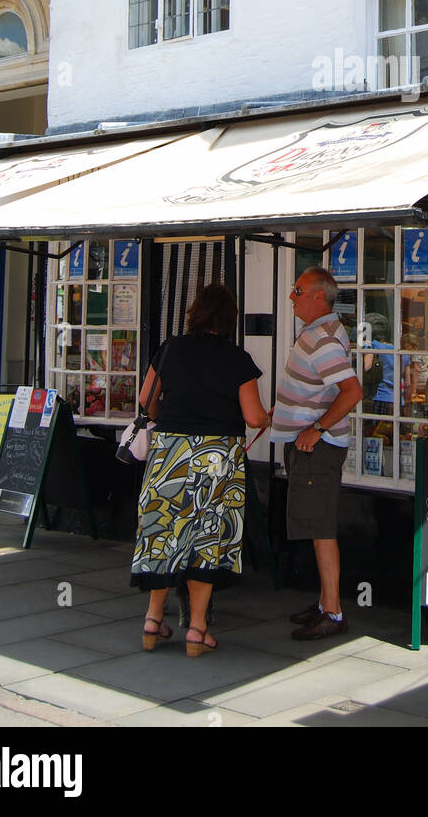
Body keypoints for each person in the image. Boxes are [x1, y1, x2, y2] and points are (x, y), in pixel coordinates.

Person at [130, 283, 271, 657]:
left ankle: (152, 621)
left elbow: (146, 401)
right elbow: (254, 416)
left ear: (195, 312)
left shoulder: (170, 349)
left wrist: (173, 422)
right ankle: (197, 630)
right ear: (228, 319)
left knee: (163, 535)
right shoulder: (237, 359)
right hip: (217, 459)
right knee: (207, 541)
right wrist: (269, 418)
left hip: (169, 456)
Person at [270, 266, 362, 640]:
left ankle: (334, 613)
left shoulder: (322, 339)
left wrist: (316, 429)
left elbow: (352, 392)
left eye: (298, 290)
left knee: (321, 528)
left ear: (318, 297)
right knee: (315, 525)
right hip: (309, 445)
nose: (291, 297)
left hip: (317, 450)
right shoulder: (319, 332)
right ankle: (326, 604)